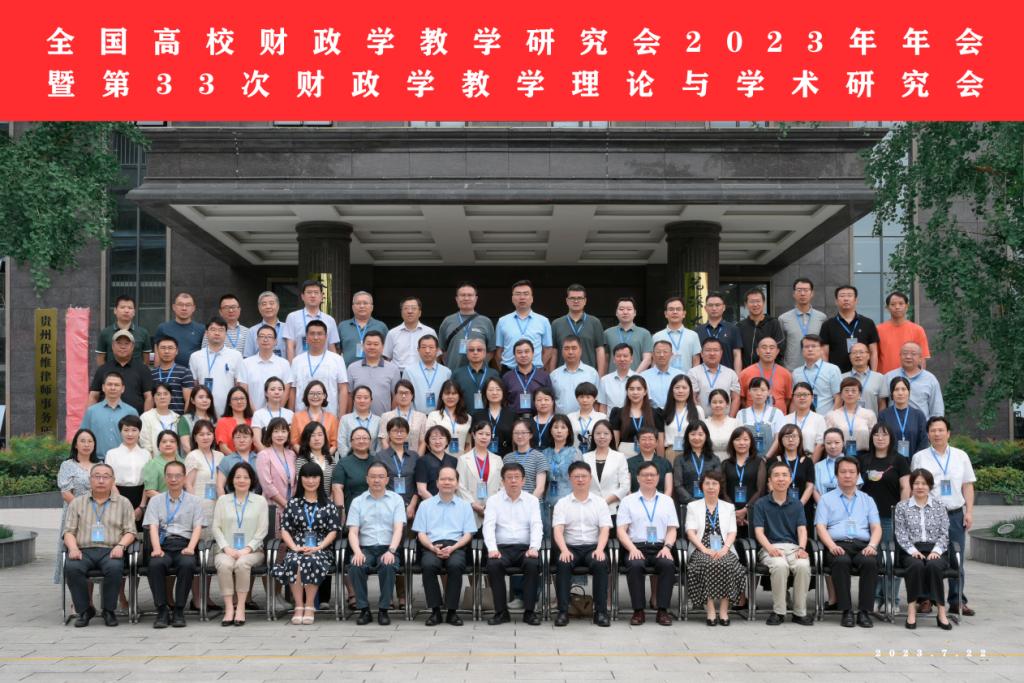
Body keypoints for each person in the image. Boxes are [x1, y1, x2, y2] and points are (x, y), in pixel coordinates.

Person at [910, 416, 975, 616]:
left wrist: (969, 512)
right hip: (928, 514)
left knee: (956, 558)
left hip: (954, 514)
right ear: (928, 434)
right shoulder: (920, 457)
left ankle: (957, 600)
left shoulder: (961, 456)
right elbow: (915, 487)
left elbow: (967, 485)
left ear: (948, 433)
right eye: (933, 430)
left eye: (941, 430)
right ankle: (925, 599)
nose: (937, 434)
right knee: (926, 557)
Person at [62, 463, 137, 627]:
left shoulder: (123, 503)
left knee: (114, 568)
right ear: (90, 480)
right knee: (72, 567)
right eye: (97, 477)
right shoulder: (77, 503)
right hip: (83, 550)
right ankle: (85, 610)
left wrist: (120, 546)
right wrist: (73, 548)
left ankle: (108, 610)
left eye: (106, 477)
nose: (101, 480)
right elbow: (68, 531)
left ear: (113, 481)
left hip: (111, 549)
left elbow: (131, 532)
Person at [815, 456, 882, 628]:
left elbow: (876, 527)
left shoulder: (867, 499)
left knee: (869, 562)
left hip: (863, 545)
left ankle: (864, 612)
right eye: (843, 472)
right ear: (836, 475)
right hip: (837, 545)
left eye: (852, 472)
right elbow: (820, 527)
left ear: (858, 475)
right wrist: (831, 546)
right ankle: (846, 611)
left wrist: (872, 545)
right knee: (841, 561)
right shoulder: (826, 499)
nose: (847, 475)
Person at [273, 462, 340, 625]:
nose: (311, 481)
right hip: (297, 546)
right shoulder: (293, 503)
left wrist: (319, 547)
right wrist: (294, 547)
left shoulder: (328, 505)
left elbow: (333, 531)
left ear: (320, 479)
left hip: (321, 548)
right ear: (300, 479)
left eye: (314, 477)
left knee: (311, 560)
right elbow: (285, 529)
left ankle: (309, 605)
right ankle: (299, 606)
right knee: (293, 560)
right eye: (307, 477)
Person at [412, 466, 478, 626]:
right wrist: (432, 547)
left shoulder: (464, 506)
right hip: (431, 545)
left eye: (450, 479)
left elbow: (468, 534)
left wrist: (453, 548)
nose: (446, 482)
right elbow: (421, 533)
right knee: (428, 565)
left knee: (455, 565)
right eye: (443, 479)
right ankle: (435, 611)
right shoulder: (425, 505)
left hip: (456, 546)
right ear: (437, 482)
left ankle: (452, 612)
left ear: (457, 483)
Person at [616, 460, 679, 626]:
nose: (649, 478)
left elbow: (672, 529)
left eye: (652, 475)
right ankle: (638, 611)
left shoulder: (667, 501)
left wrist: (667, 547)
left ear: (658, 478)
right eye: (645, 475)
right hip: (636, 546)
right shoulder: (628, 501)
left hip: (660, 547)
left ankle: (662, 611)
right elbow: (621, 530)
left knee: (667, 564)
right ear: (638, 478)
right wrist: (632, 549)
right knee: (635, 565)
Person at [751, 460, 814, 626]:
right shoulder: (761, 504)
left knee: (803, 566)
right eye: (776, 475)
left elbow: (802, 530)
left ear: (790, 479)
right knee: (779, 565)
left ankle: (800, 612)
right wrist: (770, 548)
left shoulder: (797, 504)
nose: (781, 479)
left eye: (785, 475)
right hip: (770, 548)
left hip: (793, 548)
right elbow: (759, 532)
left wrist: (802, 548)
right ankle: (779, 611)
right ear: (770, 480)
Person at [142, 460, 204, 628]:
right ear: (165, 478)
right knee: (155, 564)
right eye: (169, 476)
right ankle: (162, 610)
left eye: (177, 476)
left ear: (184, 478)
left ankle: (179, 610)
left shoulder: (194, 501)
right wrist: (156, 549)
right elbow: (153, 527)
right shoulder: (156, 501)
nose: (173, 479)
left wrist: (190, 548)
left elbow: (197, 527)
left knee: (187, 564)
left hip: (184, 545)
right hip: (163, 545)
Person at [552, 461, 613, 627]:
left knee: (600, 563)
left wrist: (600, 549)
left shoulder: (600, 503)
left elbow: (605, 529)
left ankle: (600, 612)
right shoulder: (562, 503)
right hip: (570, 547)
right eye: (576, 476)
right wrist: (564, 550)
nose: (580, 479)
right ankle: (563, 612)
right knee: (563, 563)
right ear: (570, 478)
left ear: (590, 478)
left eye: (584, 476)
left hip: (593, 547)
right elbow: (558, 530)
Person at [482, 462, 544, 625]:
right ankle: (501, 612)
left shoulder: (532, 501)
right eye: (509, 477)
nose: (513, 481)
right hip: (501, 549)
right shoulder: (493, 500)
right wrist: (492, 549)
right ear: (503, 481)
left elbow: (536, 526)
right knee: (493, 564)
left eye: (517, 477)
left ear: (523, 480)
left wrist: (534, 547)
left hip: (525, 548)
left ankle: (529, 612)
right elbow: (488, 527)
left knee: (532, 564)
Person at [859, 422, 911, 612]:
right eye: (876, 434)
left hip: (890, 516)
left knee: (890, 557)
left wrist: (901, 511)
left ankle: (891, 599)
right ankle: (875, 597)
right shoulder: (864, 460)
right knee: (873, 559)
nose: (880, 438)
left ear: (891, 438)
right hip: (867, 519)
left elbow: (905, 486)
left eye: (884, 434)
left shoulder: (899, 460)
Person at [347, 461, 406, 625]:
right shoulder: (358, 501)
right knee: (356, 565)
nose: (377, 480)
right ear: (367, 479)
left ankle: (383, 610)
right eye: (373, 476)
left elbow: (398, 529)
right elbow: (353, 532)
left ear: (387, 479)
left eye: (381, 476)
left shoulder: (396, 500)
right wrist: (357, 552)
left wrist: (391, 550)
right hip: (365, 548)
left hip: (389, 547)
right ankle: (364, 610)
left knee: (388, 564)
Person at [685, 470, 747, 626]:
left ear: (720, 486)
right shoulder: (693, 506)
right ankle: (711, 609)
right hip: (700, 547)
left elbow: (732, 531)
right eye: (707, 483)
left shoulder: (728, 507)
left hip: (724, 547)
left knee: (728, 564)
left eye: (714, 483)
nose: (711, 487)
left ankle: (724, 610)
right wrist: (704, 549)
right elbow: (690, 532)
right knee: (707, 564)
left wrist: (725, 549)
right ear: (702, 486)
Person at [894, 468, 953, 629]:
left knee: (934, 566)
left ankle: (941, 612)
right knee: (916, 565)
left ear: (930, 486)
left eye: (924, 483)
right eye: (916, 483)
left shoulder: (939, 506)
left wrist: (936, 551)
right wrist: (913, 551)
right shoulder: (902, 507)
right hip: (911, 550)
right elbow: (900, 533)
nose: (920, 487)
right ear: (911, 485)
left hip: (936, 550)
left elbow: (945, 533)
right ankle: (911, 611)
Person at [211, 461, 269, 626]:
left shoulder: (260, 501)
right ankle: (229, 608)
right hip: (226, 550)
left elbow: (262, 530)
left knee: (242, 564)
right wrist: (226, 548)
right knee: (224, 564)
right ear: (231, 480)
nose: (241, 480)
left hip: (253, 551)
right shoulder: (223, 500)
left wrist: (248, 549)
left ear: (252, 480)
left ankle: (241, 606)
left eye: (245, 477)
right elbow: (216, 527)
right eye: (238, 477)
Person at [183, 418, 224, 611]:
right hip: (199, 507)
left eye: (209, 433)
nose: (206, 437)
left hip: (216, 507)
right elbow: (187, 483)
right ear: (195, 437)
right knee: (200, 555)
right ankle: (196, 598)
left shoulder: (220, 455)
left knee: (211, 555)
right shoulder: (193, 456)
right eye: (201, 434)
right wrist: (196, 505)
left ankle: (206, 597)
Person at [55, 430, 99, 585]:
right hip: (74, 512)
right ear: (75, 444)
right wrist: (83, 510)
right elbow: (66, 493)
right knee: (75, 550)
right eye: (83, 441)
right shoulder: (67, 465)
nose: (86, 444)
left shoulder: (100, 465)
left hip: (98, 514)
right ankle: (77, 593)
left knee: (93, 551)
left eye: (90, 441)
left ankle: (90, 594)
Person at [291, 319, 349, 417]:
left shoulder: (337, 359)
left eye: (319, 334)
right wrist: (291, 416)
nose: (316, 337)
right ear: (306, 337)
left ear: (326, 337)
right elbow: (293, 390)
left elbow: (343, 389)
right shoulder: (297, 361)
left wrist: (341, 417)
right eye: (312, 334)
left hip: (329, 416)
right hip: (302, 416)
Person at [494, 280, 554, 372]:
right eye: (518, 294)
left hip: (535, 371)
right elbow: (499, 350)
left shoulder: (543, 321)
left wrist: (539, 368)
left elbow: (548, 350)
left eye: (526, 294)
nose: (522, 297)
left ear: (532, 298)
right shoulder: (502, 321)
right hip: (509, 370)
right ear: (512, 298)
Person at [189, 317, 244, 417]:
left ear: (226, 333)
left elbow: (238, 385)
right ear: (206, 333)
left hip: (228, 410)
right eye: (213, 329)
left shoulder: (236, 356)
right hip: (203, 411)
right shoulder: (195, 356)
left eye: (221, 330)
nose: (217, 333)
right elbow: (194, 385)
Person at [818, 284, 880, 373]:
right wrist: (827, 374)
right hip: (837, 374)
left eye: (849, 295)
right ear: (836, 301)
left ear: (856, 300)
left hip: (864, 374)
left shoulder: (868, 323)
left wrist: (873, 374)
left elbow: (873, 352)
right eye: (842, 296)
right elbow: (824, 353)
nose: (846, 299)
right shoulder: (828, 325)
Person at [89, 330, 154, 414]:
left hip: (134, 419)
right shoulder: (103, 369)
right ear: (113, 346)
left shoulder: (143, 369)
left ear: (132, 347)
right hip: (106, 417)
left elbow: (148, 397)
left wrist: (145, 419)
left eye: (126, 343)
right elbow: (93, 396)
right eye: (119, 343)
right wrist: (91, 417)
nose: (123, 347)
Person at [81, 372, 140, 461]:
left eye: (116, 385)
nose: (113, 388)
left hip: (124, 461)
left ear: (123, 388)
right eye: (109, 384)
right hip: (97, 461)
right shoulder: (92, 411)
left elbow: (137, 439)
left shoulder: (131, 412)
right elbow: (83, 436)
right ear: (103, 387)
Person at [255, 417, 298, 539]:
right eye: (276, 431)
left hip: (291, 507)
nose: (280, 435)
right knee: (274, 543)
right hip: (273, 507)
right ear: (270, 433)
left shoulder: (292, 454)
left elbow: (295, 482)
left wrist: (292, 505)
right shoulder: (264, 455)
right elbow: (267, 486)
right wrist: (287, 505)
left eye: (283, 431)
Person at [437, 282, 496, 371]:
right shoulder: (447, 321)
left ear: (476, 298)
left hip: (478, 373)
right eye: (462, 295)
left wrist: (479, 365)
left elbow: (491, 350)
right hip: (453, 373)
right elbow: (442, 350)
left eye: (470, 295)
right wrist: (450, 364)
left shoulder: (486, 322)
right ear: (457, 299)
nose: (466, 298)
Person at [551, 284, 607, 375]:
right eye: (572, 298)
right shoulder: (556, 324)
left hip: (589, 376)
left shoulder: (595, 322)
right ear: (567, 301)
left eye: (579, 298)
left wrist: (600, 376)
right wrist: (551, 375)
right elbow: (554, 352)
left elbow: (600, 350)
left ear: (585, 301)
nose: (576, 301)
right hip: (562, 375)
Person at [456, 421, 504, 526]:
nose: (484, 437)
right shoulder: (463, 459)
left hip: (493, 510)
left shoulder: (497, 460)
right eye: (480, 433)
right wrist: (473, 504)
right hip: (470, 509)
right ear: (473, 435)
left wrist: (491, 506)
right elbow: (460, 485)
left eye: (487, 434)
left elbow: (502, 485)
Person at [581, 420, 631, 521]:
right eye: (598, 433)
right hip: (590, 508)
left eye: (606, 433)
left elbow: (625, 486)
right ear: (593, 436)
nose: (602, 436)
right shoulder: (585, 457)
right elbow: (582, 484)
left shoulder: (619, 457)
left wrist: (605, 502)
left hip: (613, 509)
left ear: (611, 436)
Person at [765, 424, 816, 522]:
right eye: (787, 436)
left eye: (794, 436)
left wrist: (799, 505)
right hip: (779, 508)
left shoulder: (807, 461)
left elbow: (810, 486)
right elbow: (770, 484)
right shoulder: (774, 461)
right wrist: (780, 503)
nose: (791, 440)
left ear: (800, 439)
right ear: (781, 439)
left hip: (802, 508)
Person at [104, 415, 149, 525]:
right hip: (118, 495)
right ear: (120, 432)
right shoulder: (112, 454)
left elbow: (148, 481)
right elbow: (109, 480)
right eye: (126, 430)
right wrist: (121, 503)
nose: (130, 434)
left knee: (140, 530)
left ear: (139, 432)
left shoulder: (146, 454)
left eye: (134, 430)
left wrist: (142, 507)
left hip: (141, 497)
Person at [722, 427, 766, 539]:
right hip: (730, 512)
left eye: (745, 439)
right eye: (737, 439)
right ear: (732, 442)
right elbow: (723, 491)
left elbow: (760, 490)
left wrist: (746, 509)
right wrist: (734, 511)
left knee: (752, 543)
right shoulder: (726, 463)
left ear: (751, 442)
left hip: (753, 511)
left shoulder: (759, 462)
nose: (742, 443)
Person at [346, 329, 402, 417]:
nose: (372, 347)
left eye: (376, 344)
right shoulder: (352, 368)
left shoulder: (393, 369)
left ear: (383, 347)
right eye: (368, 344)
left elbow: (396, 396)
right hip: (357, 420)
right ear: (363, 346)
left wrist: (392, 418)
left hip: (383, 419)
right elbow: (349, 395)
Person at [881, 342, 944, 418]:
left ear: (920, 358)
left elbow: (937, 410)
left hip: (922, 424)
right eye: (905, 353)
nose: (908, 356)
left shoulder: (930, 379)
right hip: (894, 423)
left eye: (913, 354)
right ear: (900, 356)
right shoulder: (889, 377)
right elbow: (882, 403)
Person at [283, 279, 340, 361]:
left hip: (324, 364)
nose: (313, 295)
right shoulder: (292, 317)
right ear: (302, 296)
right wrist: (292, 365)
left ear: (321, 296)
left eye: (316, 292)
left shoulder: (329, 320)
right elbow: (290, 346)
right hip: (301, 364)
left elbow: (331, 347)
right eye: (309, 292)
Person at [240, 325, 293, 412]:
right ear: (257, 340)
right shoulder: (246, 363)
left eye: (269, 336)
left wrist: (276, 412)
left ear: (275, 341)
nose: (265, 339)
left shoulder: (284, 363)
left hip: (277, 415)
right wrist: (255, 414)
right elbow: (244, 391)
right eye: (262, 336)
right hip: (252, 414)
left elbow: (286, 391)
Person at [777, 278, 827, 370]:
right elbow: (780, 346)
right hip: (791, 369)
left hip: (816, 369)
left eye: (806, 290)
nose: (802, 293)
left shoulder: (822, 317)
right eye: (799, 290)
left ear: (812, 293)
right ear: (794, 294)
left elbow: (824, 345)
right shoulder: (783, 318)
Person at [876, 291, 931, 374]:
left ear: (907, 306)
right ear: (887, 308)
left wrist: (919, 378)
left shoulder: (917, 330)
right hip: (885, 378)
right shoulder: (878, 330)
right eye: (893, 304)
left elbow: (922, 358)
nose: (897, 307)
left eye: (901, 304)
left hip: (910, 378)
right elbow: (874, 356)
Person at [543, 415, 582, 529]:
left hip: (570, 501)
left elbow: (580, 480)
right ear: (550, 430)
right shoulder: (545, 453)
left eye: (563, 427)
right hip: (549, 501)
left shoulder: (575, 453)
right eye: (555, 427)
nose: (559, 431)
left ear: (568, 431)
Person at [610, 375, 665, 456]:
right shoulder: (618, 413)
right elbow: (615, 442)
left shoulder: (656, 414)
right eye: (631, 389)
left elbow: (660, 442)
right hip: (624, 456)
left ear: (645, 392)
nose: (635, 392)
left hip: (649, 456)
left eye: (639, 389)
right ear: (627, 391)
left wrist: (661, 461)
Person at [673, 421, 721, 508]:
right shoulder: (679, 459)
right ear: (687, 436)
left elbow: (717, 483)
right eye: (693, 434)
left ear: (706, 436)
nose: (696, 438)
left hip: (710, 505)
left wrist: (706, 502)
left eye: (700, 434)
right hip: (687, 506)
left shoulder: (715, 459)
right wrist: (693, 502)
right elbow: (678, 485)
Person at [878, 376, 929, 458]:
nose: (900, 393)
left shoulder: (918, 415)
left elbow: (923, 441)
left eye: (903, 389)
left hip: (915, 461)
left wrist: (916, 459)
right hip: (890, 462)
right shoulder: (884, 415)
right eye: (896, 389)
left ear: (909, 392)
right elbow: (880, 440)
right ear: (892, 393)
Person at [383, 296, 438, 372]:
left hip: (423, 373)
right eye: (406, 308)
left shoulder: (430, 332)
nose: (410, 311)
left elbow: (436, 357)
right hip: (399, 374)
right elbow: (387, 358)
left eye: (414, 308)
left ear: (420, 313)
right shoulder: (392, 333)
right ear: (401, 312)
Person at [825, 377, 878, 455]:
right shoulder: (832, 415)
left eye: (853, 391)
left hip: (864, 456)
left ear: (859, 395)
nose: (850, 393)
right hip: (840, 455)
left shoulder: (869, 414)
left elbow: (874, 438)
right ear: (841, 394)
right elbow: (827, 440)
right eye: (846, 390)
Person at [790, 334, 841, 415]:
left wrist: (832, 417)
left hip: (826, 418)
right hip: (802, 420)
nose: (810, 349)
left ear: (821, 349)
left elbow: (839, 398)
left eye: (814, 346)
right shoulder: (796, 373)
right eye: (806, 347)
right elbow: (794, 400)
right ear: (802, 350)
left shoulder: (832, 369)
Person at [738, 337, 792, 412]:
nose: (768, 351)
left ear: (777, 351)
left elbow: (787, 399)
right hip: (752, 416)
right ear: (757, 351)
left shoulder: (786, 374)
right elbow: (742, 398)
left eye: (772, 348)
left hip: (778, 417)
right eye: (764, 347)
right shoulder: (745, 373)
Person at [687, 337, 740, 415]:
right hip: (701, 420)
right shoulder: (693, 373)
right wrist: (699, 418)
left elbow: (736, 398)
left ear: (721, 353)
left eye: (716, 350)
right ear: (701, 353)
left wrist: (730, 419)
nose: (712, 353)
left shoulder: (731, 373)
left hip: (725, 420)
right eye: (708, 350)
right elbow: (692, 397)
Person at [550, 335, 601, 415]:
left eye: (574, 348)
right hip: (562, 421)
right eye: (566, 348)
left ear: (580, 350)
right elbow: (550, 402)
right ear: (562, 351)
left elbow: (597, 401)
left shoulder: (592, 373)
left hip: (586, 420)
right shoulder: (554, 375)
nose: (570, 352)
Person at [337, 290, 390, 367]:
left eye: (365, 303)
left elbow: (387, 352)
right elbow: (337, 351)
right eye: (358, 303)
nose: (362, 306)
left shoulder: (381, 326)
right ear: (353, 307)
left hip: (375, 370)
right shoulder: (343, 326)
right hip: (348, 370)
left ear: (372, 307)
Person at [737, 288, 786, 369]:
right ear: (746, 304)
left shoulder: (773, 323)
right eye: (752, 302)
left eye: (758, 301)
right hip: (747, 371)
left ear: (764, 303)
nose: (755, 304)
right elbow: (738, 353)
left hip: (769, 370)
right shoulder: (740, 326)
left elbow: (779, 348)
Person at [501, 339, 553, 415]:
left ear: (533, 353)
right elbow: (503, 401)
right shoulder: (507, 377)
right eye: (519, 352)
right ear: (514, 355)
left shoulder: (544, 376)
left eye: (527, 351)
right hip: (513, 418)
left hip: (537, 418)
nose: (523, 355)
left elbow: (550, 400)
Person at [97, 295, 152, 366]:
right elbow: (101, 359)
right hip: (112, 372)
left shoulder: (143, 333)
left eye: (130, 308)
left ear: (134, 312)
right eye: (122, 307)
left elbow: (146, 361)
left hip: (136, 372)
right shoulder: (105, 333)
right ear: (115, 310)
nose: (126, 311)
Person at [737, 378, 786, 455]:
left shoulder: (777, 413)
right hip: (747, 458)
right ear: (749, 392)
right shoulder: (742, 413)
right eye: (755, 390)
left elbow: (778, 438)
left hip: (771, 458)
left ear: (769, 392)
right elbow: (738, 438)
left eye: (763, 390)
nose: (759, 393)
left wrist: (766, 457)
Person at [603, 296, 653, 372]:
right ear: (616, 312)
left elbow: (647, 359)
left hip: (636, 377)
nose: (625, 312)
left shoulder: (644, 333)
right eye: (621, 309)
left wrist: (634, 376)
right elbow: (605, 360)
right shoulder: (607, 333)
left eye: (629, 309)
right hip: (612, 377)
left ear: (635, 313)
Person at [504, 418, 550, 499]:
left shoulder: (539, 457)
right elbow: (504, 485)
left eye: (523, 433)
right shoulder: (507, 458)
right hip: (511, 503)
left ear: (530, 435)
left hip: (532, 503)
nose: (519, 436)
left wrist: (528, 503)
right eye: (516, 433)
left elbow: (540, 488)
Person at [155, 292, 206, 366]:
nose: (184, 308)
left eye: (188, 305)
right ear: (174, 307)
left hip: (193, 371)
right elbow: (158, 355)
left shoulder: (202, 329)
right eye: (180, 305)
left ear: (193, 308)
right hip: (169, 372)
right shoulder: (163, 328)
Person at [451, 337, 501, 412]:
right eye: (471, 350)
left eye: (479, 350)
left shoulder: (494, 374)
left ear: (485, 353)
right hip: (464, 416)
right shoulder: (457, 374)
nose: (475, 352)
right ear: (466, 353)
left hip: (488, 416)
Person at [332, 426, 376, 511]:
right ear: (351, 442)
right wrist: (341, 511)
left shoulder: (377, 462)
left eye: (365, 438)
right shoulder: (343, 463)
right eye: (358, 438)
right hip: (352, 509)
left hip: (375, 509)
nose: (361, 441)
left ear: (370, 441)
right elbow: (337, 488)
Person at [697, 292, 743, 373]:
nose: (714, 308)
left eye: (717, 305)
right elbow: (696, 357)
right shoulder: (697, 331)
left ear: (724, 307)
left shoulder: (733, 329)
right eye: (710, 305)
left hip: (727, 376)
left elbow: (737, 355)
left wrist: (737, 377)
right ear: (705, 308)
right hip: (703, 376)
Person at [652, 296, 701, 370]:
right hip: (663, 377)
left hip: (687, 377)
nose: (675, 312)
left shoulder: (693, 335)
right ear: (665, 314)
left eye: (678, 309)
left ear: (684, 313)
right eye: (671, 309)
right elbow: (654, 362)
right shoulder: (657, 336)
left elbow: (696, 362)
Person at [471, 377, 517, 456]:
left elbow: (515, 442)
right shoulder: (477, 415)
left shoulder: (512, 415)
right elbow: (472, 441)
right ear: (485, 392)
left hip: (506, 457)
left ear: (503, 392)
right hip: (481, 457)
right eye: (491, 390)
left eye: (498, 389)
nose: (494, 393)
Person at [378, 380, 428, 452]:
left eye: (406, 393)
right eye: (401, 393)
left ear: (412, 395)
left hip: (414, 456)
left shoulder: (421, 417)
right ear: (395, 395)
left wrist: (417, 458)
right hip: (392, 457)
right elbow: (384, 440)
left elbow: (423, 442)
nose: (403, 396)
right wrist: (391, 457)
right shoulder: (386, 416)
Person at [407, 335, 452, 414]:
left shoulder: (446, 372)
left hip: (440, 416)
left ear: (437, 350)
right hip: (416, 416)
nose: (427, 351)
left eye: (431, 347)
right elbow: (406, 395)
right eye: (423, 347)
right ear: (418, 350)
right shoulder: (409, 371)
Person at [289, 381, 339, 453]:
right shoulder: (297, 417)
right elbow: (294, 442)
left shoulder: (332, 418)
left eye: (319, 393)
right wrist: (307, 456)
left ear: (324, 396)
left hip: (325, 457)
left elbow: (334, 443)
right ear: (306, 395)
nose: (315, 396)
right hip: (303, 457)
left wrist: (324, 457)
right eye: (311, 393)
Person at [782, 382, 827, 461]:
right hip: (789, 461)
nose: (802, 398)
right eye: (798, 395)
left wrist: (811, 464)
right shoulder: (785, 419)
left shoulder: (819, 419)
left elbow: (820, 445)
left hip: (810, 459)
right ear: (793, 398)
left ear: (812, 397)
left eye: (805, 395)